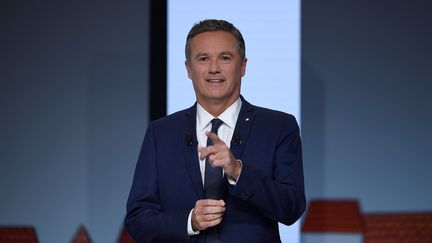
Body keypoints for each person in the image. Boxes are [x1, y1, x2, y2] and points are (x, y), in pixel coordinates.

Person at [125, 19, 305, 243]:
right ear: (189, 69)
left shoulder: (278, 127)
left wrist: (238, 172)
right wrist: (190, 221)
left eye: (225, 58)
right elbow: (138, 219)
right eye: (203, 59)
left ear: (243, 66)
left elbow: (292, 208)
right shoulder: (160, 133)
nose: (213, 68)